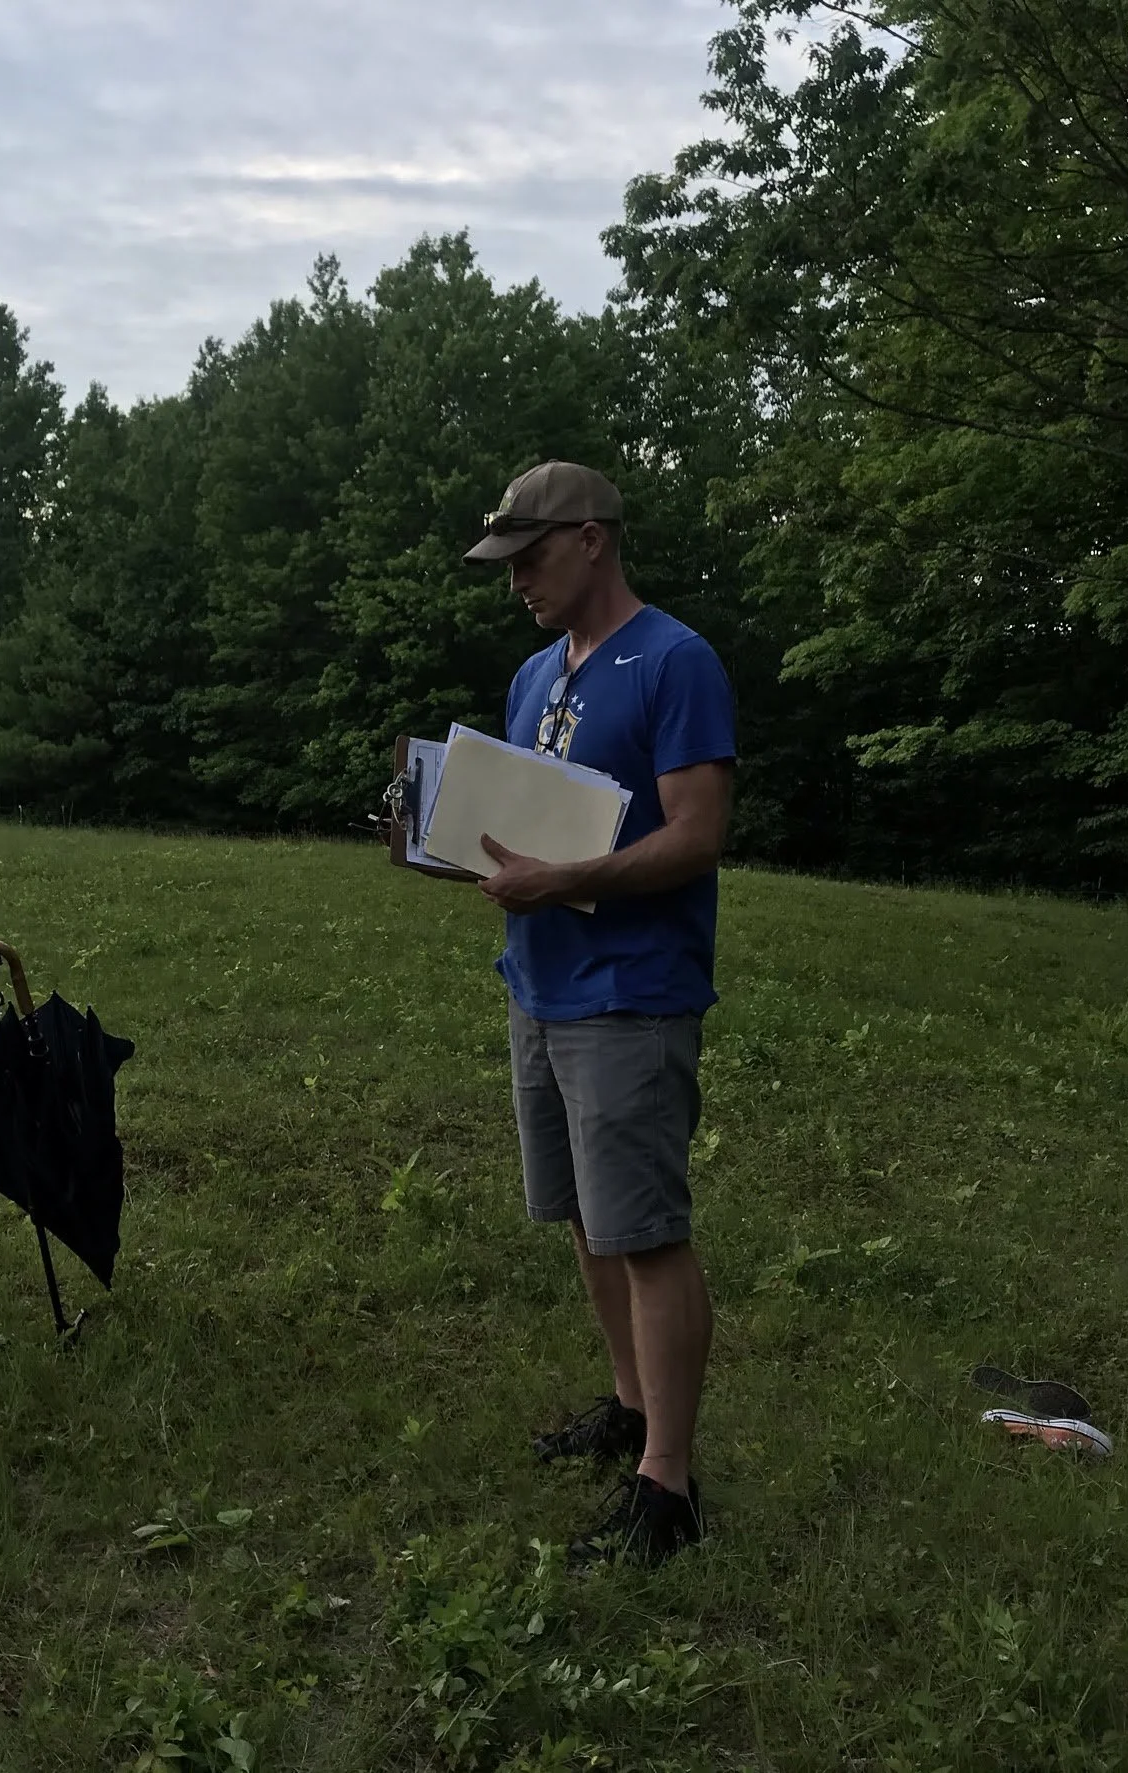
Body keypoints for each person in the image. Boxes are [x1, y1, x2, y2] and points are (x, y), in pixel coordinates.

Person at [463, 460, 736, 1568]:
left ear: (590, 539)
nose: (516, 581)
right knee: (583, 1216)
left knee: (647, 1233)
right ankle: (630, 1410)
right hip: (539, 980)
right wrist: (455, 849)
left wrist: (564, 878)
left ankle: (668, 1485)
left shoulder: (675, 661)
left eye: (528, 559)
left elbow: (696, 835)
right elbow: (530, 819)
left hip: (630, 993)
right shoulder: (536, 674)